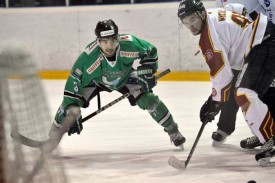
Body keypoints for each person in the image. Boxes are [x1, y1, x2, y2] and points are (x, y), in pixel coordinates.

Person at [49, 19, 185, 148]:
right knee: (70, 109)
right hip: (95, 82)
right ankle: (52, 137)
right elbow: (74, 79)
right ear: (98, 41)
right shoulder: (88, 57)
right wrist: (72, 107)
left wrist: (147, 71)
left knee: (149, 100)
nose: (109, 46)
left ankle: (173, 131)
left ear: (118, 38)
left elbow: (150, 51)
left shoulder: (129, 44)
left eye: (113, 40)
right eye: (104, 42)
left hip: (125, 77)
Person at [177, 0, 275, 165]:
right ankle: (265, 135)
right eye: (185, 22)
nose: (190, 26)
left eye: (192, 19)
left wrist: (213, 105)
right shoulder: (214, 13)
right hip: (263, 38)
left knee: (244, 93)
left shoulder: (207, 38)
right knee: (251, 93)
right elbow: (239, 9)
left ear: (201, 13)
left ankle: (270, 139)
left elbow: (222, 77)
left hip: (263, 42)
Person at [211, 0, 275, 148]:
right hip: (241, 45)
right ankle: (228, 127)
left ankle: (267, 133)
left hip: (263, 40)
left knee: (261, 90)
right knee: (236, 86)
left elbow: (271, 6)